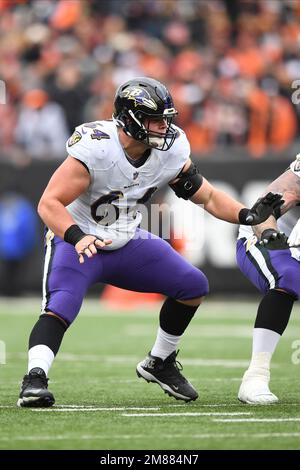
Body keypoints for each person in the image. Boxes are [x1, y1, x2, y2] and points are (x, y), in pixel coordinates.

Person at [17, 77, 282, 408]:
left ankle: (160, 360)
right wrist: (76, 236)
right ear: (130, 119)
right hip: (78, 239)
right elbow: (49, 204)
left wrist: (247, 215)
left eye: (166, 119)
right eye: (156, 119)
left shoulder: (168, 153)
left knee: (192, 285)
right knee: (61, 305)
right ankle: (34, 380)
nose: (164, 127)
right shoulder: (97, 147)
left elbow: (209, 197)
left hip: (126, 239)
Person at [236, 155, 300, 404]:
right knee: (290, 277)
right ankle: (256, 375)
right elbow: (263, 210)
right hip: (267, 237)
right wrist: (270, 232)